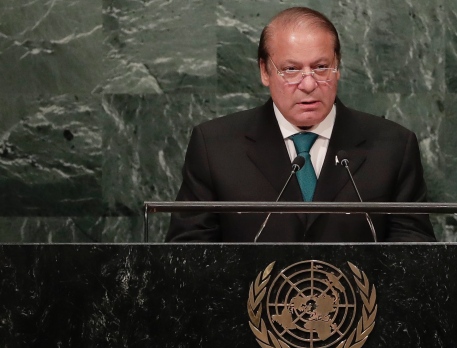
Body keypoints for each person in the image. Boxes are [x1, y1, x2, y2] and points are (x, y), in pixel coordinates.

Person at [166, 7, 435, 242]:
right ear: (264, 71)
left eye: (320, 67)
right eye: (291, 70)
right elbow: (188, 255)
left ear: (337, 66)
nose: (308, 84)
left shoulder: (393, 147)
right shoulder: (215, 147)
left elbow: (412, 255)